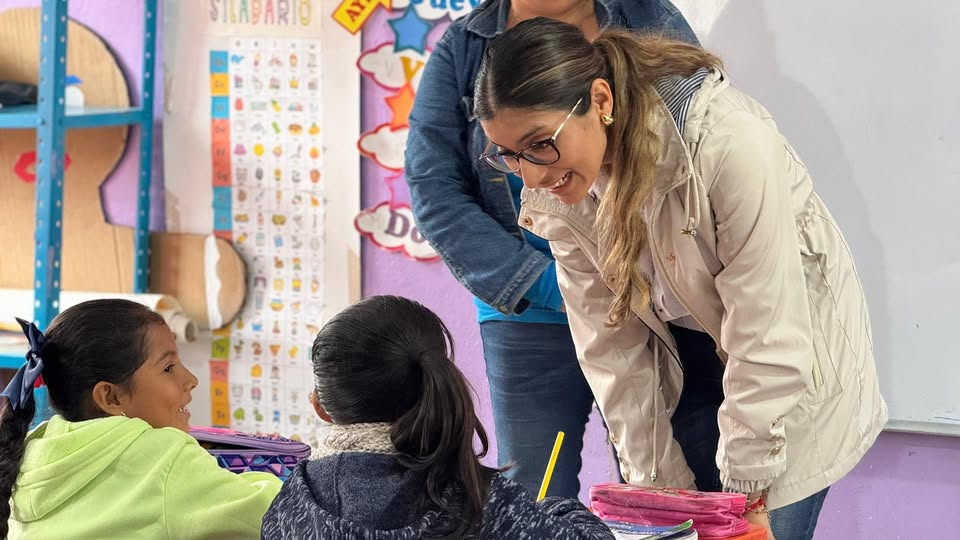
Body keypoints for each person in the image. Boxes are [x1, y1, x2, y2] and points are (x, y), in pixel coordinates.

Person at [472, 18, 887, 540]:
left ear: (600, 100)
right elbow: (610, 349)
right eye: (508, 155)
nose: (530, 175)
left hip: (786, 375)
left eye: (539, 144)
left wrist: (748, 500)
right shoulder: (560, 196)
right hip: (684, 364)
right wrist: (657, 496)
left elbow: (767, 335)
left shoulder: (726, 142)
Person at [405, 0, 698, 499]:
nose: (533, 166)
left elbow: (688, 146)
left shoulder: (648, 17)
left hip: (651, 304)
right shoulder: (464, 48)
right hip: (530, 316)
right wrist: (547, 285)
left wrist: (645, 280)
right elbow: (433, 189)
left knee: (659, 491)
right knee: (533, 495)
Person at [260, 295, 614, 539]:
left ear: (320, 405)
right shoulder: (481, 501)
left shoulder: (293, 502)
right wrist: (560, 511)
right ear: (436, 382)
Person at [0, 299, 281, 539]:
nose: (191, 380)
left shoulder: (29, 454)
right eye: (169, 367)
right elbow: (278, 514)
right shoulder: (162, 458)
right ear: (111, 398)